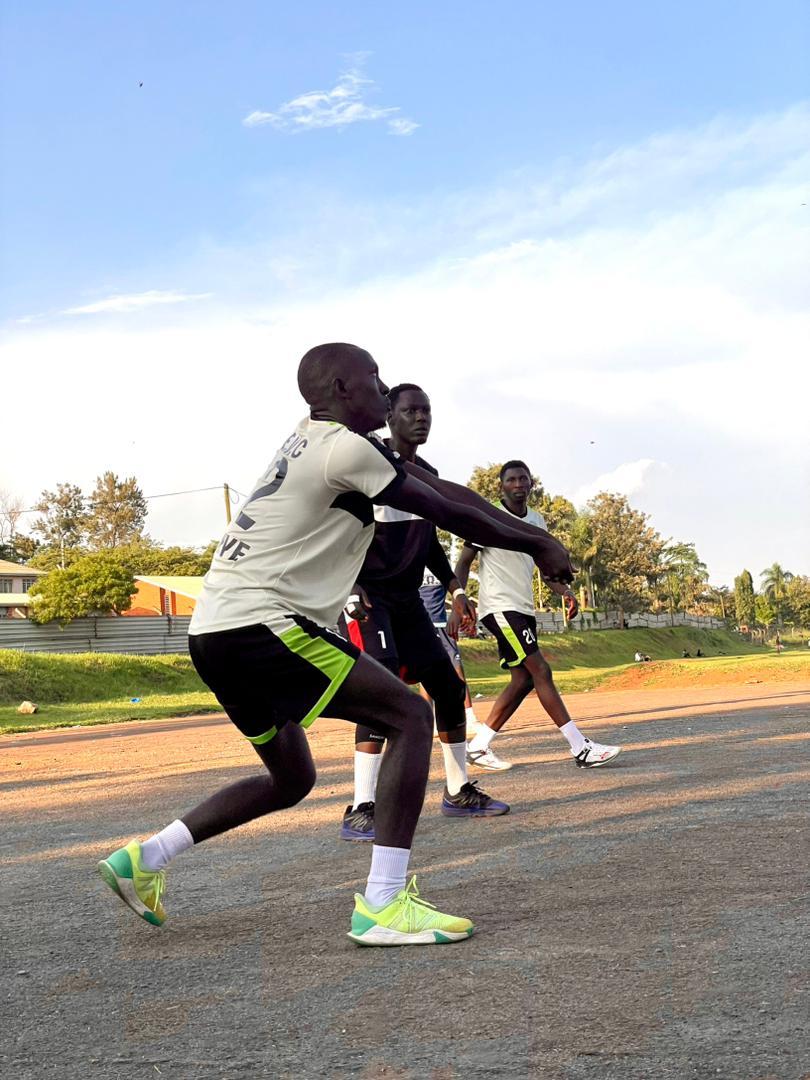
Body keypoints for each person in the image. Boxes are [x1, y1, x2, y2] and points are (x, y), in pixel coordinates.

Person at [97, 345, 575, 948]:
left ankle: (144, 858)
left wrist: (533, 534)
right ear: (344, 388)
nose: (384, 388)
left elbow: (446, 489)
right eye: (374, 378)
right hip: (262, 624)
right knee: (409, 714)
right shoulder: (345, 449)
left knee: (290, 777)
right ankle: (383, 905)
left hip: (214, 632)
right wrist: (539, 544)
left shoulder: (311, 440)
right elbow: (444, 508)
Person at [340, 384, 508, 843]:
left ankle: (457, 791)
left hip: (408, 599)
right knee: (383, 687)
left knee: (449, 689)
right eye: (411, 410)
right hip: (368, 596)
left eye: (427, 411)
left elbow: (430, 543)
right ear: (389, 415)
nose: (422, 418)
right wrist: (350, 585)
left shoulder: (426, 474)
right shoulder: (365, 462)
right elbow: (334, 530)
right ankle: (361, 807)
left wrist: (456, 589)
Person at [456, 460, 621, 771]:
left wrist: (566, 593)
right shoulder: (487, 516)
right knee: (541, 670)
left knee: (523, 679)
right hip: (500, 606)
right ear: (501, 486)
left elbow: (547, 570)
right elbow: (464, 561)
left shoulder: (537, 521)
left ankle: (478, 746)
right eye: (512, 480)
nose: (518, 484)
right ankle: (580, 747)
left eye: (523, 479)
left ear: (531, 484)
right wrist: (459, 596)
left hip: (522, 607)